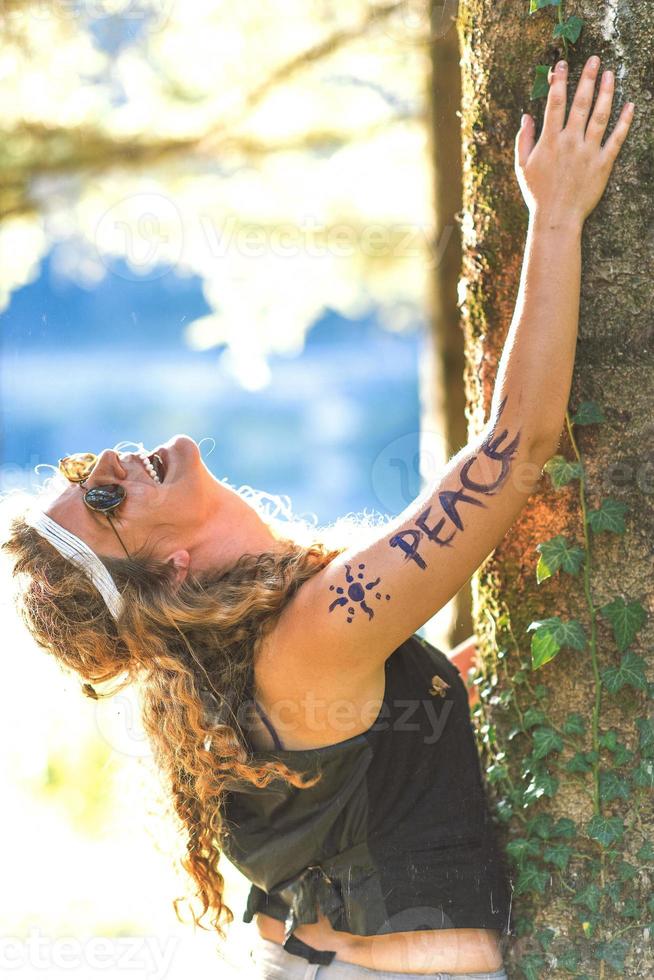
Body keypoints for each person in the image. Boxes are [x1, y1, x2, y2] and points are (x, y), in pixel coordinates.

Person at [1, 53, 634, 980]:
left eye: (82, 473)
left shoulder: (245, 667)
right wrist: (558, 215)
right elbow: (516, 449)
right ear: (164, 572)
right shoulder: (310, 635)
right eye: (103, 501)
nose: (107, 464)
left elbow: (364, 773)